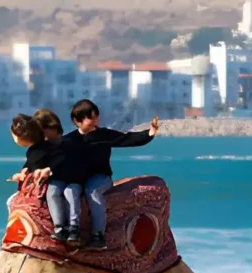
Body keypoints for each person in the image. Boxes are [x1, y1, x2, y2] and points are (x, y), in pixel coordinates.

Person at [68, 99, 160, 250]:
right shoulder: (70, 140)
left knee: (92, 191)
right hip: (79, 178)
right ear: (76, 120)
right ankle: (71, 230)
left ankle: (98, 235)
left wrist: (150, 132)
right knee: (68, 191)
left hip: (101, 178)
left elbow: (127, 139)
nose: (95, 121)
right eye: (90, 118)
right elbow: (56, 158)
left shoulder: (104, 135)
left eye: (96, 117)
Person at [8, 114, 85, 245]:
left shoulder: (44, 148)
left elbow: (40, 165)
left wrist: (38, 172)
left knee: (57, 192)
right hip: (59, 178)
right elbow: (33, 164)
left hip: (59, 179)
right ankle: (62, 227)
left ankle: (64, 227)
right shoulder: (42, 148)